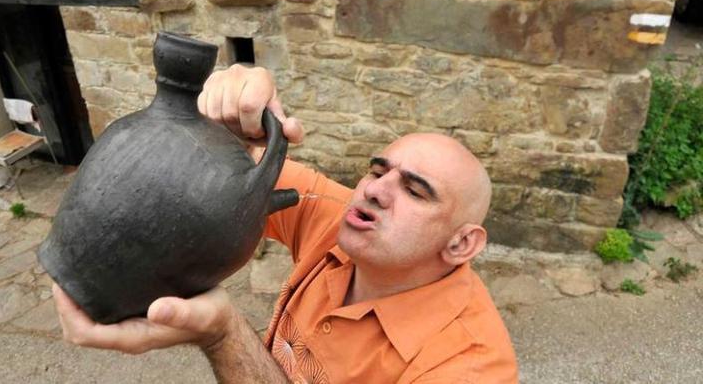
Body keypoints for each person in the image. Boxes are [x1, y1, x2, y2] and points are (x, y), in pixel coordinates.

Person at [52, 64, 519, 383]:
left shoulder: (467, 365)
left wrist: (223, 334)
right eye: (377, 171)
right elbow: (230, 171)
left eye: (415, 191)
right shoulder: (341, 217)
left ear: (462, 244)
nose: (375, 190)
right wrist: (235, 116)